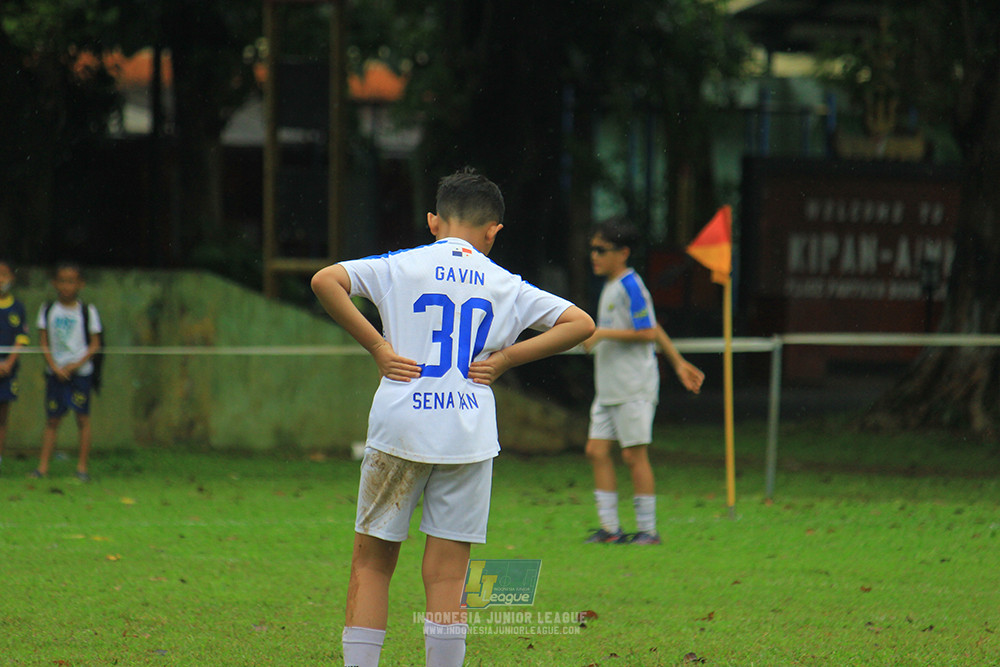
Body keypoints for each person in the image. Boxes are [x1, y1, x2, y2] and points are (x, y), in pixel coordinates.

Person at [311, 168, 594, 667]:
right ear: (494, 231)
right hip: (467, 433)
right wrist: (505, 359)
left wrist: (378, 345)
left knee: (373, 563)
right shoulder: (506, 283)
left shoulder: (402, 265)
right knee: (448, 573)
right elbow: (580, 324)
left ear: (433, 221)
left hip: (401, 426)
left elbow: (326, 280)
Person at [583, 218, 704, 545]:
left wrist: (601, 333)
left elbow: (647, 331)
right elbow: (654, 327)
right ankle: (610, 529)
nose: (594, 256)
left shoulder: (630, 285)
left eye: (601, 250)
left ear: (623, 253)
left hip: (632, 385)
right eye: (592, 249)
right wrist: (679, 363)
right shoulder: (612, 284)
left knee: (634, 456)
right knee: (596, 450)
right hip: (608, 386)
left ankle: (648, 531)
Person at [31, 263, 102, 482]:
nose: (66, 286)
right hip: (55, 373)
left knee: (82, 418)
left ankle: (82, 468)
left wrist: (75, 365)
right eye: (62, 280)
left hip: (80, 374)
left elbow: (95, 344)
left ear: (80, 284)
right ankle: (42, 468)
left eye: (71, 281)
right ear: (54, 283)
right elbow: (43, 340)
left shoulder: (87, 311)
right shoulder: (48, 309)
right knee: (52, 420)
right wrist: (53, 365)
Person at [0, 259, 30, 475]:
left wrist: (9, 362)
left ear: (12, 278)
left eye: (4, 275)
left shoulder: (18, 307)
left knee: (2, 416)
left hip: (8, 371)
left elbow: (22, 337)